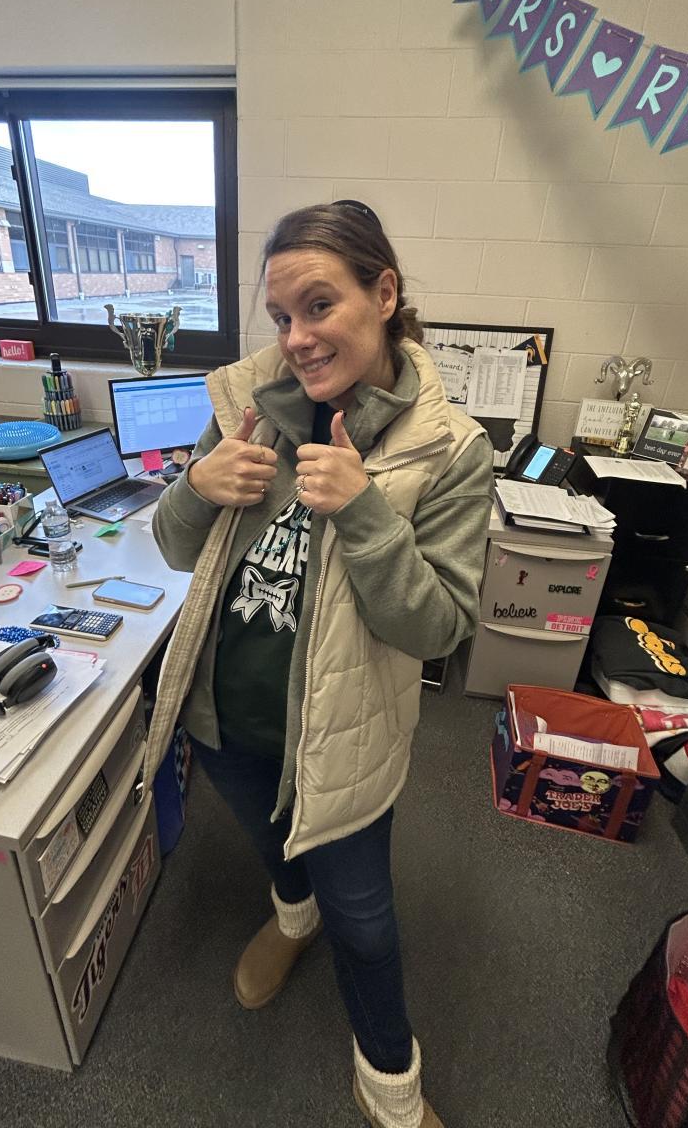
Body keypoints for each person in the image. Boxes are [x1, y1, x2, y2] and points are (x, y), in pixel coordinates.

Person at [146, 200, 493, 1128]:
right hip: (224, 720)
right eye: (281, 316)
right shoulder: (246, 407)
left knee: (367, 923)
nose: (297, 337)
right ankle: (291, 914)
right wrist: (195, 487)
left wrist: (366, 514)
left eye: (319, 305)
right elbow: (176, 547)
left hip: (340, 741)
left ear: (384, 293)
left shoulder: (451, 449)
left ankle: (390, 1084)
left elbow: (440, 627)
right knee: (271, 844)